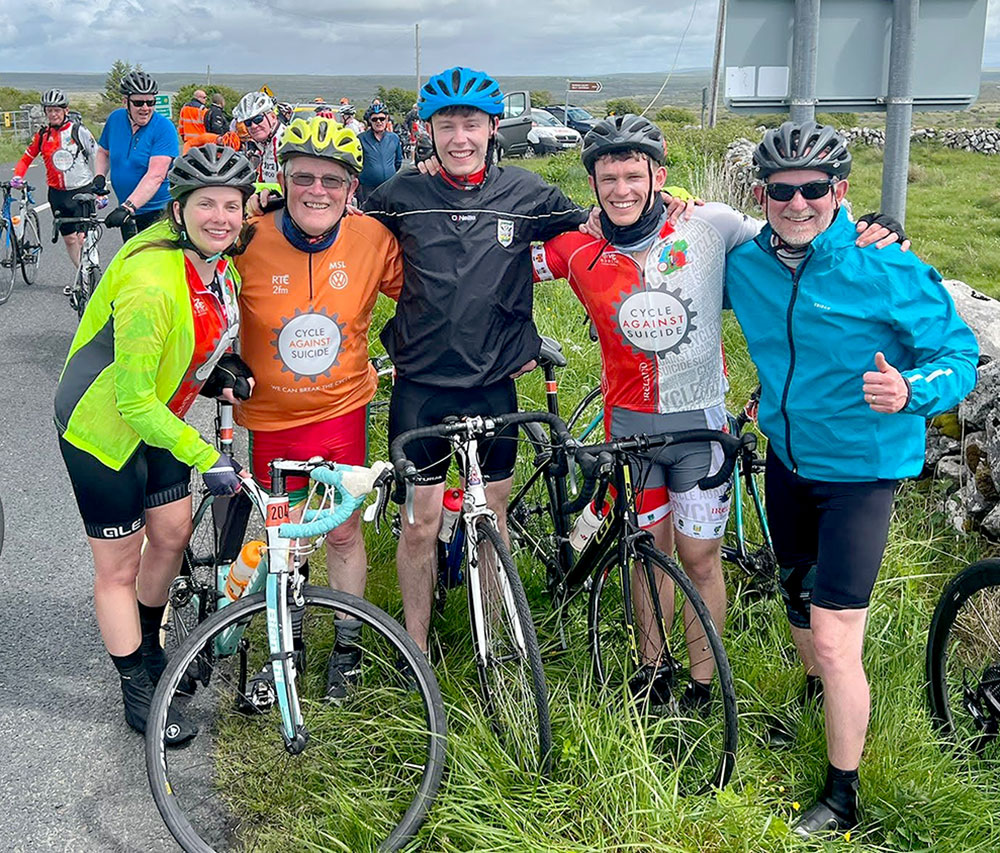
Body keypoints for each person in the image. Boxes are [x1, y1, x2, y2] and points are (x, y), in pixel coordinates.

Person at [531, 115, 902, 708]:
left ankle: (703, 682)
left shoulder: (710, 224)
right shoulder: (576, 246)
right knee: (646, 554)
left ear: (659, 176)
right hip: (628, 425)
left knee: (701, 558)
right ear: (593, 184)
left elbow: (798, 230)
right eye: (609, 179)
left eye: (634, 176)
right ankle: (652, 670)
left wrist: (875, 229)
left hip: (700, 426)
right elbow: (502, 270)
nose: (622, 190)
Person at [725, 120, 978, 837]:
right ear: (760, 194)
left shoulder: (886, 266)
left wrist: (912, 390)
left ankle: (843, 797)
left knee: (837, 638)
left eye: (814, 188)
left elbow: (959, 355)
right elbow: (673, 247)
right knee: (795, 595)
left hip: (861, 473)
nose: (797, 203)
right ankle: (817, 700)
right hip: (786, 458)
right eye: (781, 190)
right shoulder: (746, 265)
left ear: (839, 191)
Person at [364, 66, 589, 656]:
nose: (459, 138)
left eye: (471, 124)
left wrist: (671, 202)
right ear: (428, 131)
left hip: (494, 386)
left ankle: (495, 634)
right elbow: (337, 225)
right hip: (421, 388)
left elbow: (601, 223)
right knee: (420, 525)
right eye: (446, 125)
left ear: (493, 128)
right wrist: (269, 204)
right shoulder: (401, 196)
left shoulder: (528, 193)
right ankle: (416, 649)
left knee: (495, 521)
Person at [54, 144, 257, 744]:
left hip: (159, 417)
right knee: (119, 567)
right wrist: (208, 456)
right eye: (205, 204)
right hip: (102, 428)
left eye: (231, 205)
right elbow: (133, 400)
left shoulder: (220, 269)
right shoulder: (152, 283)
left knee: (169, 536)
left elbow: (191, 341)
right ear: (179, 211)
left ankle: (148, 647)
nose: (220, 217)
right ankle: (137, 692)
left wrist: (220, 371)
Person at [233, 115, 403, 700]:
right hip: (271, 424)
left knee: (344, 534)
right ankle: (291, 644)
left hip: (341, 416)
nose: (317, 191)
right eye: (303, 177)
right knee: (285, 541)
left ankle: (347, 650)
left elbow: (434, 289)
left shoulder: (372, 239)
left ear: (352, 187)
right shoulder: (247, 235)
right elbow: (191, 268)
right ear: (281, 178)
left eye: (332, 180)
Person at [11, 89, 100, 275]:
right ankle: (82, 275)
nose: (53, 114)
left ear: (66, 110)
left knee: (84, 237)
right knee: (69, 239)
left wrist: (99, 189)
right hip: (57, 194)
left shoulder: (78, 131)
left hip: (82, 191)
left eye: (57, 110)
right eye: (49, 110)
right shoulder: (43, 135)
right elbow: (26, 159)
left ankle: (93, 274)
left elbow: (98, 156)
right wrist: (18, 176)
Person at [95, 70, 178, 242]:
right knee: (132, 257)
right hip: (128, 210)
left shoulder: (164, 128)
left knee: (154, 258)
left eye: (150, 102)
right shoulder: (115, 119)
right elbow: (103, 151)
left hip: (158, 212)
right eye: (139, 102)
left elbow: (156, 175)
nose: (145, 108)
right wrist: (99, 176)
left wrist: (127, 207)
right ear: (125, 101)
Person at [232, 90, 286, 193]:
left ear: (273, 117)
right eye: (248, 123)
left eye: (258, 119)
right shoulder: (264, 143)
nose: (253, 126)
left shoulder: (284, 141)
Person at [356, 100, 402, 205]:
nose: (378, 122)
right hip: (367, 188)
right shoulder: (361, 139)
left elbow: (398, 161)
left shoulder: (394, 138)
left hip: (389, 187)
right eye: (374, 119)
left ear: (387, 119)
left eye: (382, 118)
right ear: (369, 121)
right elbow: (356, 163)